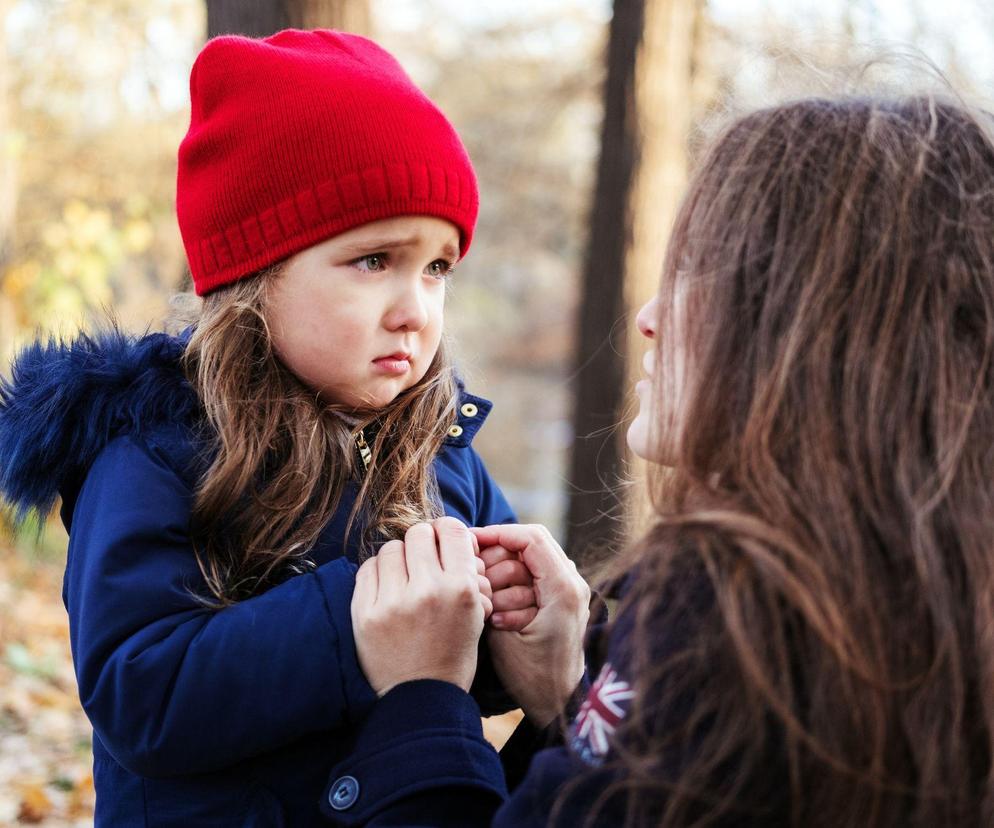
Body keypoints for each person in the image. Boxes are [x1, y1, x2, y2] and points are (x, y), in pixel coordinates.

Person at [323, 91, 994, 827]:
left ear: (813, 330)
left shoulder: (734, 619)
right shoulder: (917, 599)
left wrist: (422, 699)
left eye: (700, 273)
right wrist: (570, 697)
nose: (648, 317)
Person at [0, 29, 536, 826]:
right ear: (257, 273)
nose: (414, 310)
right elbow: (139, 692)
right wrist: (353, 628)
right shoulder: (158, 451)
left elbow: (465, 664)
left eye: (437, 268)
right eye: (373, 260)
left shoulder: (440, 452)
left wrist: (521, 624)